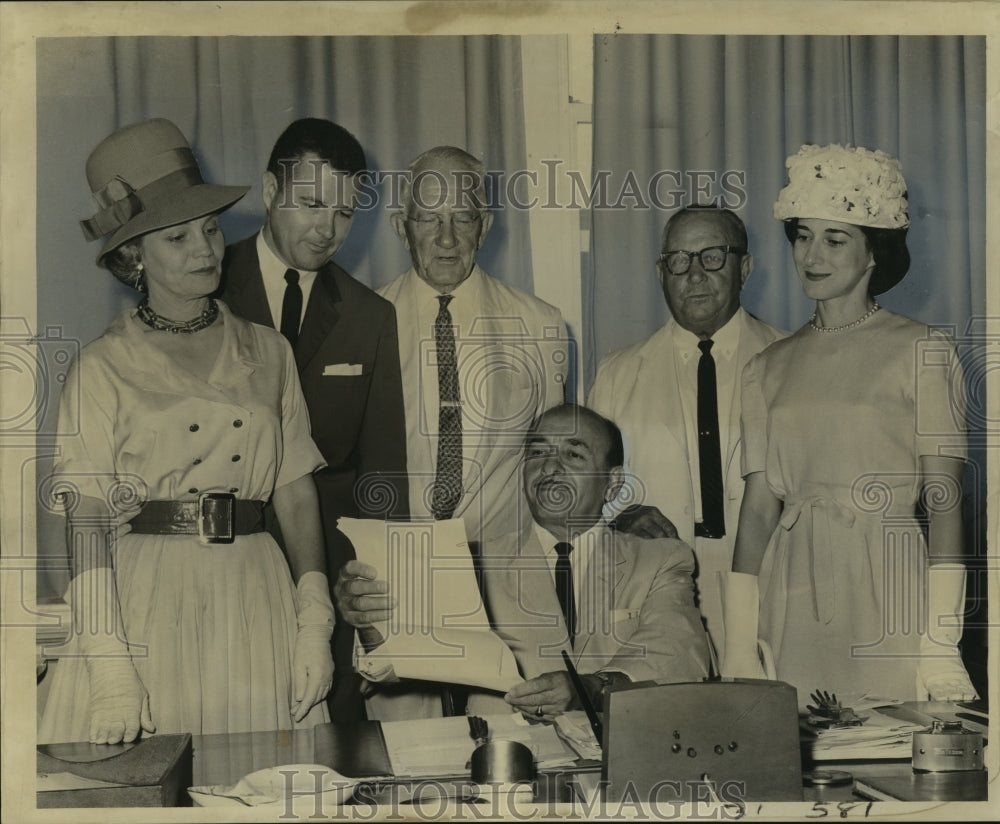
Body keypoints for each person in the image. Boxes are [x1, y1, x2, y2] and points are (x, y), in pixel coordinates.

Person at [38, 118, 335, 744]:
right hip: (147, 602)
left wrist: (314, 620)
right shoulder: (102, 365)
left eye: (208, 228)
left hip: (256, 594)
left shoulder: (270, 352)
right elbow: (86, 519)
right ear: (132, 257)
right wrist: (111, 668)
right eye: (177, 237)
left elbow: (296, 492)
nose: (204, 249)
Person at [725, 143, 978, 706]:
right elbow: (759, 510)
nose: (811, 255)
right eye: (802, 234)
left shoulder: (923, 351)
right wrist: (740, 644)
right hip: (792, 594)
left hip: (889, 587)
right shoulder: (766, 366)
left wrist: (941, 645)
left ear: (873, 252)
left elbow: (943, 502)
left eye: (834, 239)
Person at [338, 404, 711, 719]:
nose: (550, 468)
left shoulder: (659, 559)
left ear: (612, 483)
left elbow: (679, 655)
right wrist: (372, 621)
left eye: (573, 454)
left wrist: (590, 689)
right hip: (504, 775)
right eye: (538, 453)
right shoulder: (467, 560)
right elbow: (400, 665)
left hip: (618, 770)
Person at [219, 118, 407, 717]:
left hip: (327, 574)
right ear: (271, 192)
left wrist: (369, 596)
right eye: (311, 202)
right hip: (218, 565)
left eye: (346, 213)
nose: (328, 229)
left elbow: (383, 475)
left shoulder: (369, 317)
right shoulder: (204, 285)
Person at [587, 207, 785, 656]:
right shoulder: (616, 373)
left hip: (770, 591)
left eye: (712, 256)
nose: (694, 274)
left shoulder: (790, 360)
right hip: (655, 601)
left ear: (745, 268)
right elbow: (587, 494)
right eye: (678, 259)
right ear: (662, 273)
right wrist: (620, 517)